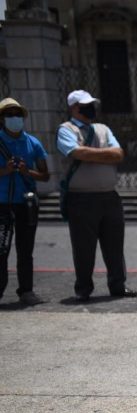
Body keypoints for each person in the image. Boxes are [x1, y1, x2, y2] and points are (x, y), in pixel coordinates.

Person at [57, 90, 134, 302]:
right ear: (74, 108)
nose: (91, 108)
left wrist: (91, 153)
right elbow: (75, 153)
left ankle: (118, 285)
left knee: (114, 246)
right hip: (81, 198)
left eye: (92, 104)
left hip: (109, 196)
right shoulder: (66, 130)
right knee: (84, 247)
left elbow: (118, 154)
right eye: (85, 105)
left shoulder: (102, 128)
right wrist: (104, 154)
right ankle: (83, 288)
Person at [0, 97, 48, 306]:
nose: (15, 118)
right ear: (2, 119)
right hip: (2, 204)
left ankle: (26, 291)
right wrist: (6, 170)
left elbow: (45, 175)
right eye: (9, 115)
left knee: (25, 249)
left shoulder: (32, 142)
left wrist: (25, 171)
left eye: (18, 114)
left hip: (26, 203)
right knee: (1, 250)